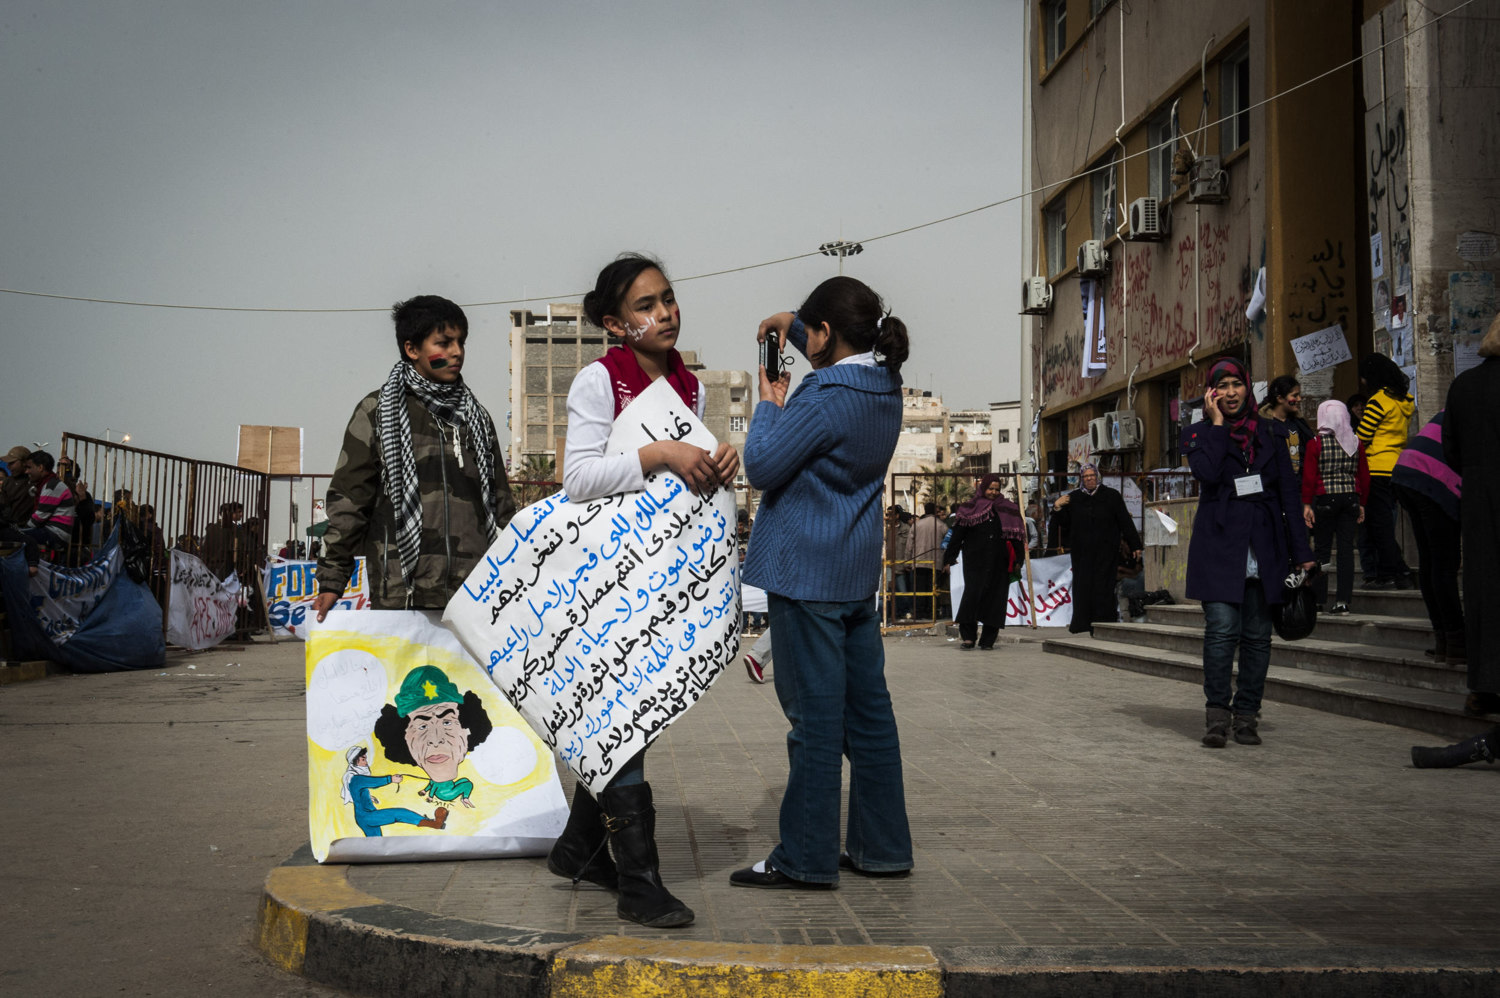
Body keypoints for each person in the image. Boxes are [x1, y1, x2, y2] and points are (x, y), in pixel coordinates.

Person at [543, 254, 737, 929]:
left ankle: (580, 849)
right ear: (615, 324)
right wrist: (660, 456)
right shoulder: (601, 381)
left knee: (633, 713)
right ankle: (638, 879)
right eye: (647, 306)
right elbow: (578, 480)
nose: (665, 314)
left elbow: (687, 476)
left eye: (669, 299)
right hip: (602, 575)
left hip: (656, 575)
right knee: (622, 715)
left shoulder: (690, 385)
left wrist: (715, 460)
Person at [731, 275, 913, 890]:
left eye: (810, 333)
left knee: (813, 722)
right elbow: (833, 338)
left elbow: (761, 465)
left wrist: (767, 401)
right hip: (855, 573)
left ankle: (804, 858)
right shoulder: (885, 387)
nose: (802, 344)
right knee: (869, 718)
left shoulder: (822, 393)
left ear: (827, 334)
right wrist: (793, 317)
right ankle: (881, 848)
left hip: (807, 575)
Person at [314, 295, 516, 622]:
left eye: (461, 342)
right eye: (444, 342)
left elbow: (501, 506)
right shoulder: (378, 412)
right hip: (402, 590)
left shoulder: (475, 418)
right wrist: (333, 578)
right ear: (412, 349)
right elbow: (351, 500)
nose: (456, 352)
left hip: (476, 590)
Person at [1182, 358, 1315, 747]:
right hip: (1220, 545)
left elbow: (1288, 493)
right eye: (1221, 386)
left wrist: (1301, 550)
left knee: (1258, 636)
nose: (1230, 393)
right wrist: (1219, 428)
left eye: (1235, 384)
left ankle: (1246, 715)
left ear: (1247, 388)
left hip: (1265, 544)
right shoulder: (1198, 435)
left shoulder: (1272, 433)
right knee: (1222, 631)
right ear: (1211, 394)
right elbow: (1207, 474)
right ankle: (1217, 716)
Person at [1443, 313, 1500, 716]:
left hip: (1479, 497)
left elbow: (1451, 449)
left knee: (1482, 589)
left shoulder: (1464, 385)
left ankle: (1482, 686)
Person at [1391, 411, 1463, 670]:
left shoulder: (1460, 401)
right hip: (1432, 478)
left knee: (1431, 562)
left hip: (1407, 471)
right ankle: (1455, 641)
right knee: (1444, 564)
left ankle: (1445, 639)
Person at [1050, 464, 1142, 634]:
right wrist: (1057, 507)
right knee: (1083, 586)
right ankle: (1083, 623)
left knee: (1104, 587)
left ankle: (1104, 623)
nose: (1089, 479)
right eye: (1085, 476)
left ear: (1098, 477)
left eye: (1092, 475)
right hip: (1082, 553)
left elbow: (1124, 521)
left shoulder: (1111, 496)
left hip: (1106, 551)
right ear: (1081, 479)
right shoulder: (1074, 498)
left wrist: (1135, 544)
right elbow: (1064, 523)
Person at [1300, 400, 1369, 615]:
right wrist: (1362, 503)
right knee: (1346, 550)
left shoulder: (1315, 443)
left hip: (1324, 499)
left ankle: (1319, 599)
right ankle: (1342, 602)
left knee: (1322, 550)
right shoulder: (1356, 442)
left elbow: (1309, 477)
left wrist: (1307, 504)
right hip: (1350, 499)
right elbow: (1364, 476)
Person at [942, 473, 1025, 649]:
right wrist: (950, 558)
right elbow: (958, 536)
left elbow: (1017, 537)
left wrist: (1019, 559)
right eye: (990, 489)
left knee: (996, 600)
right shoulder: (969, 508)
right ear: (983, 488)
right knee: (972, 596)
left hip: (999, 563)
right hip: (975, 562)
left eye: (997, 489)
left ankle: (988, 640)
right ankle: (968, 637)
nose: (993, 492)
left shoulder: (1008, 508)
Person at [1354, 354, 1415, 589]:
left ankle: (1399, 571)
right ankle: (1386, 573)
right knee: (1382, 524)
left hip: (1376, 469)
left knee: (1378, 526)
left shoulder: (1378, 401)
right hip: (1397, 467)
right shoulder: (1404, 401)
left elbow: (1363, 437)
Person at [0, 451, 76, 576]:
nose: (27, 471)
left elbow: (38, 518)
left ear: (40, 468)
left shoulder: (51, 486)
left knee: (16, 536)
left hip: (54, 534)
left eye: (29, 467)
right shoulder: (43, 485)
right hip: (51, 531)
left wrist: (19, 529)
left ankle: (31, 567)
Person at [1258, 375, 1314, 474]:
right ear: (1280, 398)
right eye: (1295, 395)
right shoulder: (1264, 424)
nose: (1299, 399)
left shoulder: (1298, 423)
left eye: (1299, 395)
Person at [910, 501, 946, 620]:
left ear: (925, 510)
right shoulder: (941, 525)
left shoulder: (917, 525)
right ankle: (932, 612)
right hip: (936, 561)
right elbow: (947, 543)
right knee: (933, 587)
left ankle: (919, 612)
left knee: (919, 588)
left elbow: (909, 544)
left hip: (919, 560)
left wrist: (907, 560)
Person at [883, 504, 914, 622]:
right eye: (887, 515)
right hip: (887, 565)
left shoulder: (905, 529)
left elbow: (910, 547)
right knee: (888, 592)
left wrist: (908, 562)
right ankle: (891, 614)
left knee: (902, 591)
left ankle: (904, 611)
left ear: (897, 515)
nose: (888, 517)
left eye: (891, 514)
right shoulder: (885, 528)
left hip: (900, 564)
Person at [0, 445, 36, 527]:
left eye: (12, 463)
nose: (8, 466)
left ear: (24, 463)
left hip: (32, 529)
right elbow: (3, 507)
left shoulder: (37, 480)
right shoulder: (7, 482)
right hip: (11, 528)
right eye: (8, 463)